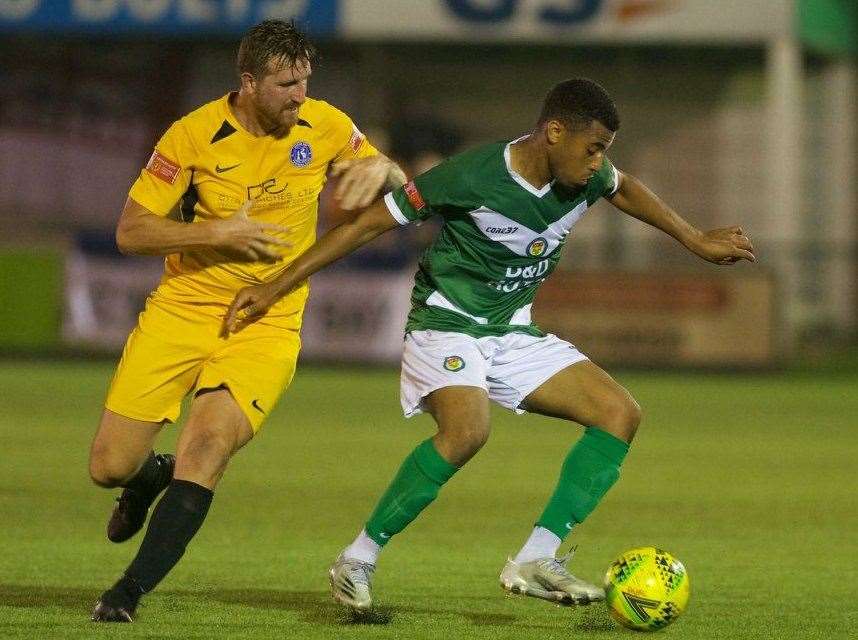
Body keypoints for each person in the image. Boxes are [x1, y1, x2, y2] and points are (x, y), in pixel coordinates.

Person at [224, 78, 755, 611]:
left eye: (604, 152)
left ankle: (535, 559)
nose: (598, 163)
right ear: (553, 133)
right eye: (593, 149)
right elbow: (367, 225)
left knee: (619, 413)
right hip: (445, 322)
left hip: (511, 330)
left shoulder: (586, 177)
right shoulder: (472, 176)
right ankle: (357, 558)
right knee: (467, 431)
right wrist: (275, 286)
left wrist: (694, 239)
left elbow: (625, 188)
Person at [88, 20, 406, 622]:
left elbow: (390, 174)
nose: (299, 95)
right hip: (182, 310)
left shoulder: (327, 123)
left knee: (208, 446)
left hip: (267, 320)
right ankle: (149, 474)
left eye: (305, 81)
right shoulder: (193, 136)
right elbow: (130, 231)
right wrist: (217, 231)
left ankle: (126, 593)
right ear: (249, 81)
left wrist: (383, 170)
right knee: (109, 467)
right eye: (287, 84)